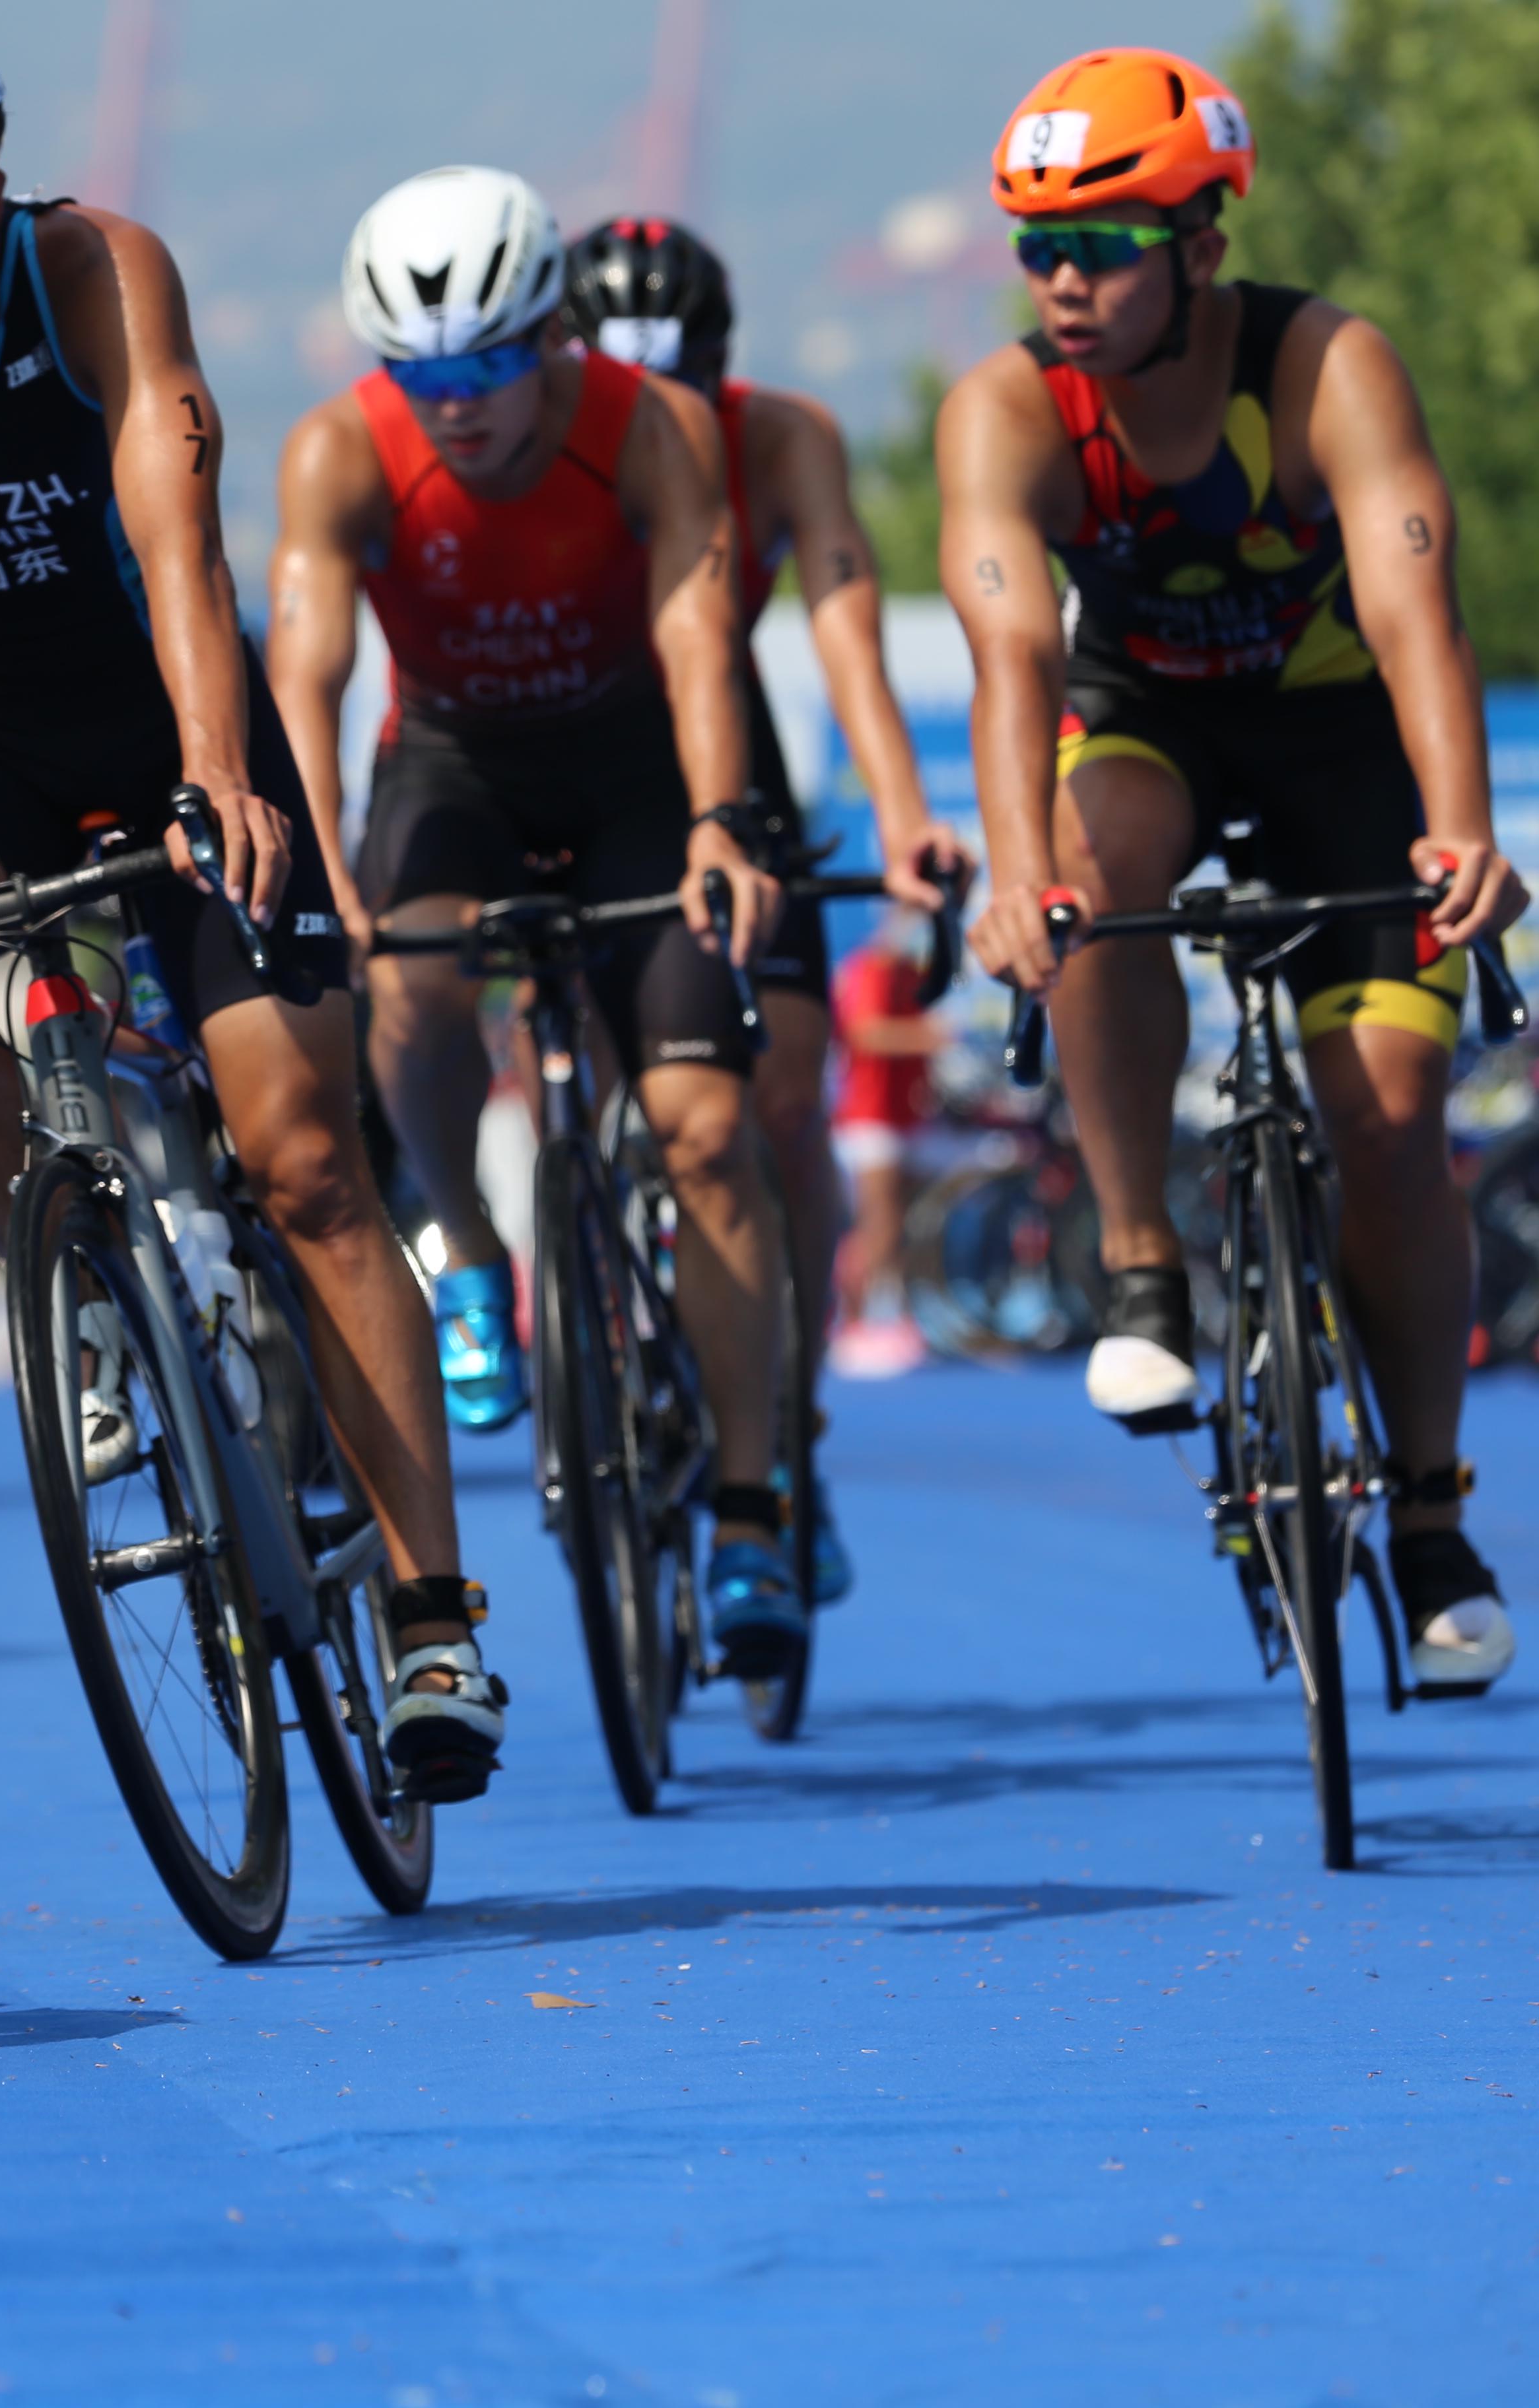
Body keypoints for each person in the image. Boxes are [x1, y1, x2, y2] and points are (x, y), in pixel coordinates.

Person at [0, 5, 500, 1796]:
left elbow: (180, 542)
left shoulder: (96, 276)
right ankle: (85, 1302)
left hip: (171, 710)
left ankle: (433, 1617)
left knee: (304, 1161)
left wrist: (214, 772)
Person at [942, 47, 1519, 1692]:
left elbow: (1414, 614)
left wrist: (1461, 828)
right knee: (1086, 871)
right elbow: (1009, 659)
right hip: (1150, 725)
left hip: (1341, 735)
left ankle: (1428, 1518)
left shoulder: (1328, 366)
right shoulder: (1007, 410)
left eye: (1101, 247)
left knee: (1389, 1127)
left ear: (1200, 244)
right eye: (1038, 249)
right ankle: (1142, 1265)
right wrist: (1013, 877)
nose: (1063, 282)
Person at [266, 166, 814, 1681]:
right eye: (421, 374)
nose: (455, 406)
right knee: (414, 989)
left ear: (553, 339)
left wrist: (719, 821)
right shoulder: (338, 450)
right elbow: (307, 676)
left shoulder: (651, 426)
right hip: (454, 766)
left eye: (489, 368)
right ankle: (466, 1247)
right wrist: (326, 877)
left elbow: (699, 639)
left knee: (709, 1132)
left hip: (635, 768)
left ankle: (752, 1512)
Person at [561, 216, 973, 1588]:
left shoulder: (785, 438)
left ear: (722, 367)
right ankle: (594, 1302)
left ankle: (785, 1418)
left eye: (684, 381)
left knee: (784, 1105)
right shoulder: (533, 440)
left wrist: (904, 814)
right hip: (568, 767)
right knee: (587, 1085)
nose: (660, 415)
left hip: (727, 770)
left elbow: (849, 635)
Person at [824, 919, 950, 1378]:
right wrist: (929, 1036)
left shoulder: (913, 975)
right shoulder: (867, 971)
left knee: (898, 1223)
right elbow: (864, 1031)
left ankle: (888, 1315)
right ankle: (850, 1324)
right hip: (867, 1118)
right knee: (878, 1224)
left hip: (906, 1119)